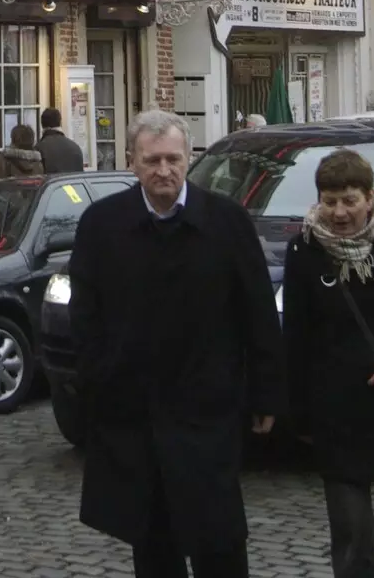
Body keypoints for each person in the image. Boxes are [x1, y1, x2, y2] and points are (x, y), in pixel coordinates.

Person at [69, 108, 283, 578]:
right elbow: (84, 314)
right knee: (152, 537)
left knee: (219, 537)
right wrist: (99, 376)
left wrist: (265, 390)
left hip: (209, 406)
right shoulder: (102, 225)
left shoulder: (226, 222)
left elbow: (258, 311)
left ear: (189, 158)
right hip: (135, 408)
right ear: (132, 162)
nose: (163, 171)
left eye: (172, 159)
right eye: (152, 161)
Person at [282, 148, 374, 578]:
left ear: (369, 196)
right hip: (338, 412)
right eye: (329, 201)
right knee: (352, 534)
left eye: (349, 200)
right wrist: (297, 412)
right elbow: (297, 336)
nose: (339, 212)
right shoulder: (305, 249)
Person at [37, 107, 85, 174]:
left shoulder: (40, 148)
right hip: (72, 184)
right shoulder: (75, 147)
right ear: (60, 122)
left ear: (42, 124)